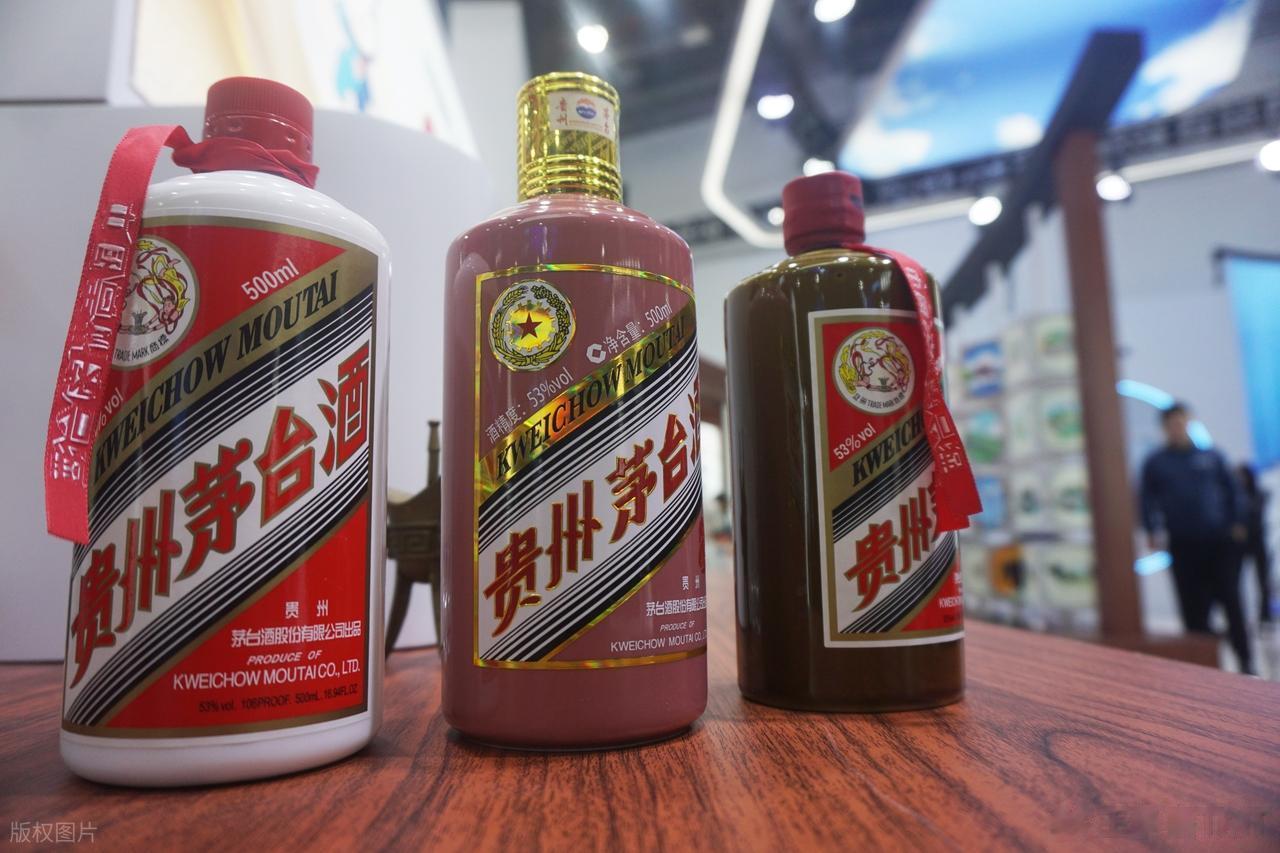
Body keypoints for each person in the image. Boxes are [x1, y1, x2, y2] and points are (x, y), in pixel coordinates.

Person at [1140, 403, 1254, 674]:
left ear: (1188, 422)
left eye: (1180, 422)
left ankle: (1246, 662)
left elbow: (1234, 492)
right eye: (1171, 424)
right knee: (1193, 609)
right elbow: (1146, 499)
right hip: (1183, 544)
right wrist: (1151, 529)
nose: (1176, 428)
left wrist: (1238, 524)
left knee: (1231, 601)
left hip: (1218, 543)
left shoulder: (1212, 456)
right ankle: (1201, 669)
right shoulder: (1156, 462)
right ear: (1164, 428)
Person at [1237, 464, 1273, 625]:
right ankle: (1239, 615)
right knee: (1235, 582)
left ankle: (1265, 615)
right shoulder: (1234, 496)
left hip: (1257, 541)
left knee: (1263, 581)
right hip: (1240, 543)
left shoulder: (1259, 495)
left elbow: (1256, 512)